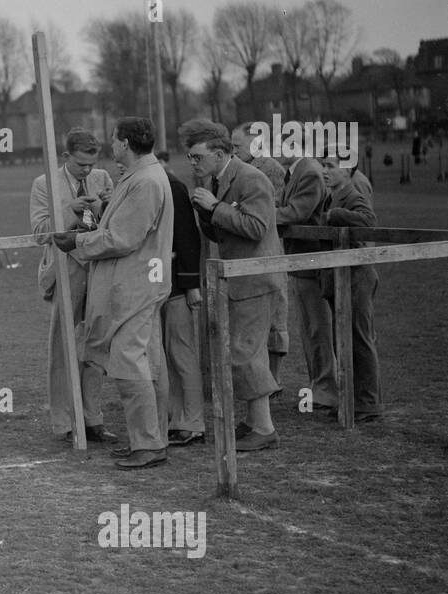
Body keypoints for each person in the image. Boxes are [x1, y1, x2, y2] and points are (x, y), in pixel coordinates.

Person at [61, 118, 172, 469]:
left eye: (114, 139)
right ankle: (149, 440)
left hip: (136, 287)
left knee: (129, 363)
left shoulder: (147, 182)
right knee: (144, 363)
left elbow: (123, 238)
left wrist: (76, 240)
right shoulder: (139, 177)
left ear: (124, 143)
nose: (112, 144)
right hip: (134, 285)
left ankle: (149, 445)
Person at [184, 119, 284, 451]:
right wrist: (206, 213)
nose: (194, 164)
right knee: (242, 352)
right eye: (191, 157)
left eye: (198, 157)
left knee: (245, 353)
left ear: (220, 152)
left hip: (256, 279)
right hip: (237, 279)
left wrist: (216, 208)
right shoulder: (217, 179)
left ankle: (265, 428)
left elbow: (256, 228)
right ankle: (256, 421)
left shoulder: (252, 179)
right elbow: (221, 233)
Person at [29, 128, 116, 445]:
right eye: (81, 165)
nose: (88, 171)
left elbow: (113, 225)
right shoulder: (44, 184)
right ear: (66, 157)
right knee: (63, 347)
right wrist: (70, 212)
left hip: (99, 268)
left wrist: (107, 205)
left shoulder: (103, 178)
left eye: (92, 164)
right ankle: (64, 421)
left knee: (96, 346)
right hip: (66, 271)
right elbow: (39, 232)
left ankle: (93, 419)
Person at [276, 146, 337, 415]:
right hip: (300, 262)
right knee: (310, 328)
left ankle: (327, 390)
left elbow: (296, 213)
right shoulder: (295, 172)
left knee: (317, 328)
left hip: (312, 262)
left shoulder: (308, 171)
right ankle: (320, 386)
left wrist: (260, 216)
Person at [320, 159, 382, 422]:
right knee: (341, 338)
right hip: (340, 276)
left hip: (357, 274)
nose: (325, 170)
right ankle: (351, 398)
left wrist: (337, 215)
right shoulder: (331, 196)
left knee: (359, 337)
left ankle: (368, 402)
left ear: (348, 171)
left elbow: (369, 222)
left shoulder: (352, 195)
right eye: (322, 165)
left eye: (331, 165)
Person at [233, 121, 289, 387]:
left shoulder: (268, 169)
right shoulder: (244, 168)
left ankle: (273, 380)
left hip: (268, 249)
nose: (233, 152)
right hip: (253, 251)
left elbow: (267, 212)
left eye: (237, 147)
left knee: (274, 316)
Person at [162, 163, 205, 446]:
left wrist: (191, 285)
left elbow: (188, 237)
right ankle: (177, 419)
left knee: (183, 354)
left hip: (177, 287)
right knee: (168, 356)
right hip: (158, 286)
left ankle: (193, 423)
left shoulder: (172, 186)